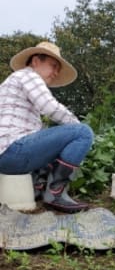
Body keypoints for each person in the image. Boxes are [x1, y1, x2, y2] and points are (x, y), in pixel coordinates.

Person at [0, 41, 94, 213]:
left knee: (47, 134)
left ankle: (38, 187)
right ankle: (55, 193)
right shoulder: (28, 75)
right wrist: (79, 129)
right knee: (83, 133)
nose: (56, 72)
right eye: (53, 65)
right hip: (13, 150)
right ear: (36, 61)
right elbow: (50, 107)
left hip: (6, 154)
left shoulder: (14, 81)